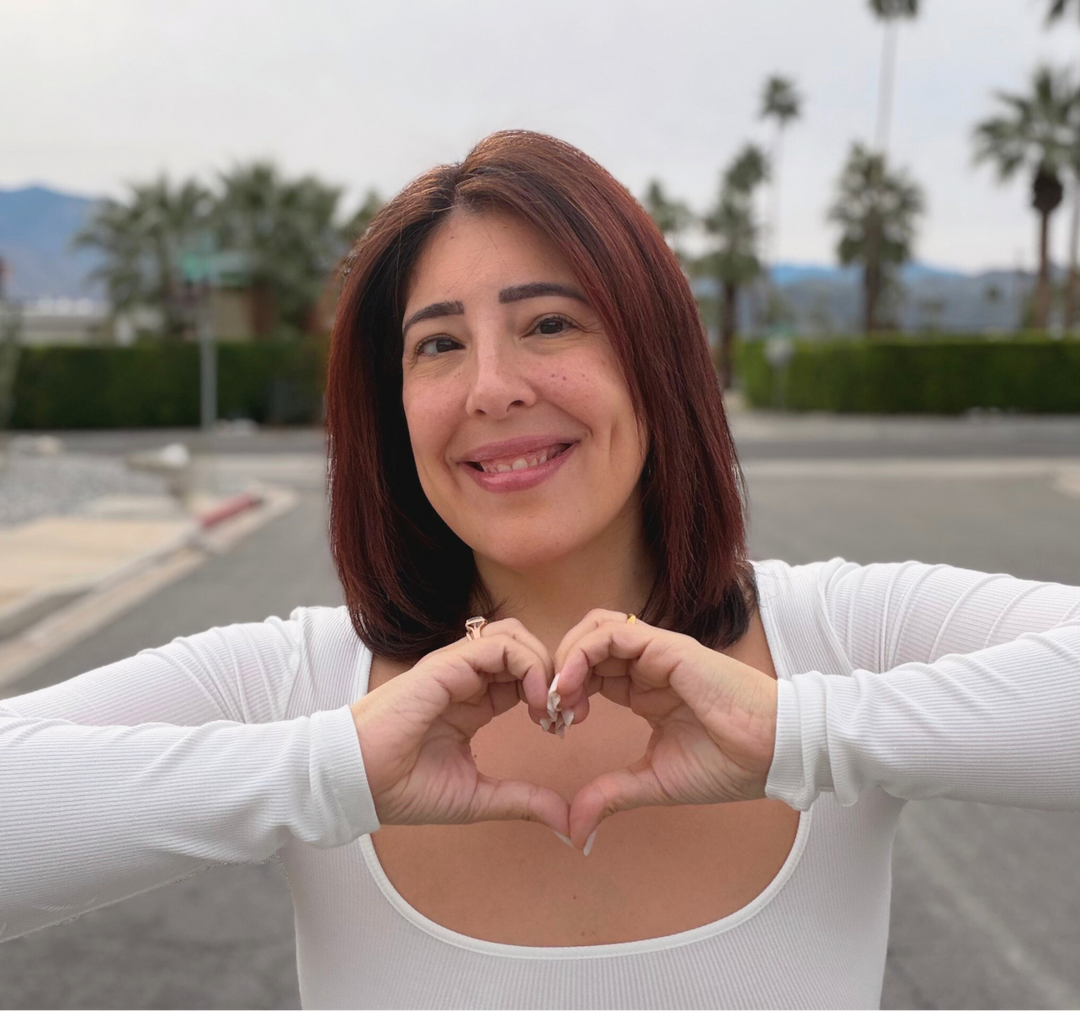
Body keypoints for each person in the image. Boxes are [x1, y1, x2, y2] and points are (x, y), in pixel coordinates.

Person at [1, 130, 1078, 1011]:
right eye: (437, 345)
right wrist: (326, 772)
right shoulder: (302, 689)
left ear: (655, 359)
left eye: (549, 323)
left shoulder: (835, 642)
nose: (492, 387)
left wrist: (806, 734)